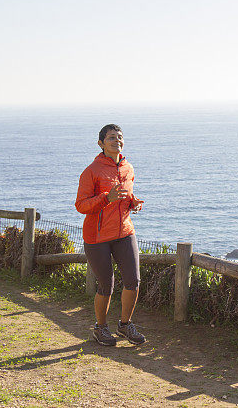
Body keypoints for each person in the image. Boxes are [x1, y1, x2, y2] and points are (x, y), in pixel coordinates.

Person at [75, 124, 146, 346]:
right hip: (97, 237)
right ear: (101, 143)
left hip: (125, 231)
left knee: (133, 281)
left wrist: (133, 203)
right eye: (112, 137)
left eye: (120, 137)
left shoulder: (128, 168)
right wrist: (106, 198)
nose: (117, 140)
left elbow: (125, 197)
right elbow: (81, 205)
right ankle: (101, 328)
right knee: (106, 285)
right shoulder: (91, 171)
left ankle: (125, 325)